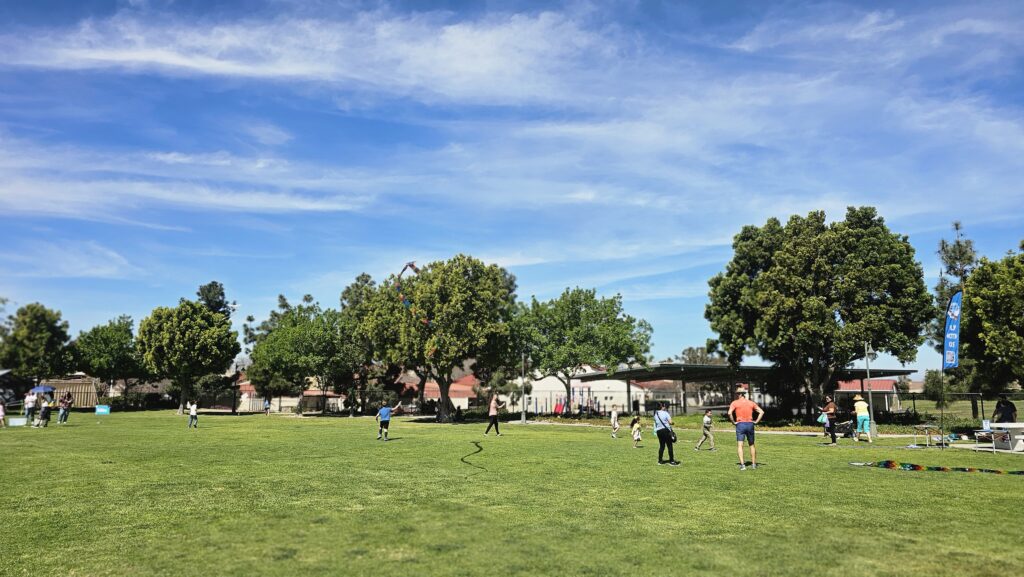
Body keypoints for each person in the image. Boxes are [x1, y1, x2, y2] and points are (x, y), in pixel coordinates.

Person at [728, 387, 764, 471]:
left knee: (740, 445)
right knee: (751, 444)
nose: (736, 395)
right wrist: (756, 422)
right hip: (750, 424)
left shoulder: (734, 403)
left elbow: (729, 413)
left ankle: (743, 465)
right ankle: (754, 465)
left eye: (737, 393)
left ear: (739, 394)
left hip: (740, 424)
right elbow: (761, 412)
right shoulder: (751, 403)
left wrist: (733, 422)